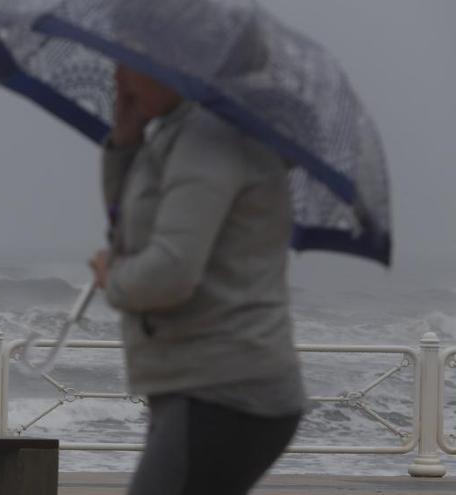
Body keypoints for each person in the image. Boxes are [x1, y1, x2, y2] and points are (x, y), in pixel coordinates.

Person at [88, 65, 306, 495]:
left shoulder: (209, 140)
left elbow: (170, 273)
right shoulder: (175, 135)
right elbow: (128, 237)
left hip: (226, 389)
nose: (118, 80)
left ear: (175, 61)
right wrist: (125, 143)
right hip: (197, 385)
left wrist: (113, 280)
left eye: (129, 65)